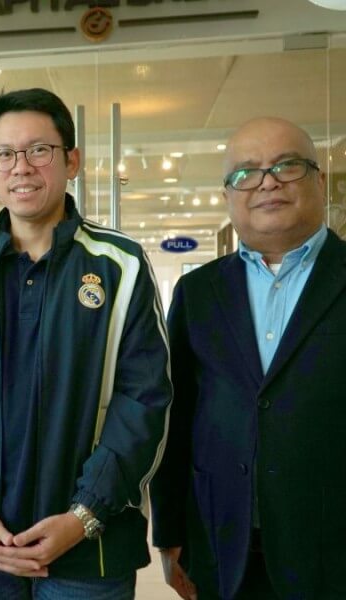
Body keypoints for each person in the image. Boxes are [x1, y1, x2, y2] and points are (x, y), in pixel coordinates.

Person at [0, 87, 171, 599]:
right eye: (5, 154)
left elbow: (144, 401)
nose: (21, 167)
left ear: (70, 161)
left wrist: (84, 514)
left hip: (87, 547)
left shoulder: (119, 267)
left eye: (38, 150)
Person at [150, 117, 346, 599]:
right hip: (224, 550)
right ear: (227, 195)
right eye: (246, 173)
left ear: (319, 180)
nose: (267, 182)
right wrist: (171, 533)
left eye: (287, 166)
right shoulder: (198, 292)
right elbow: (176, 418)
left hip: (333, 551)